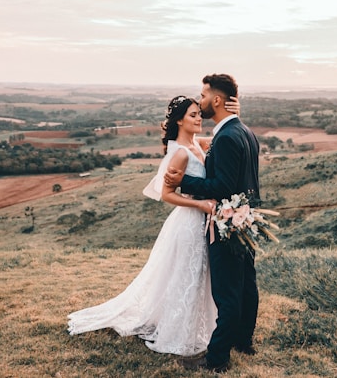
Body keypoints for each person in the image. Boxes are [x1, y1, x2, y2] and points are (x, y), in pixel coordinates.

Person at [67, 95, 239, 356]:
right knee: (185, 276)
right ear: (179, 120)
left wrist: (236, 111)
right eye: (192, 115)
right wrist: (201, 205)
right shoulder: (180, 154)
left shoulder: (197, 144)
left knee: (197, 275)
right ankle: (177, 330)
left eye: (198, 114)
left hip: (202, 222)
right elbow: (167, 195)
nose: (198, 118)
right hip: (189, 222)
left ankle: (198, 327)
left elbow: (225, 136)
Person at [165, 73, 260, 373]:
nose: (201, 100)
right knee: (246, 285)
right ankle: (243, 341)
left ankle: (217, 357)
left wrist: (185, 181)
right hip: (245, 220)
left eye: (204, 95)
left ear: (217, 100)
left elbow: (223, 185)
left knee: (228, 292)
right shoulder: (244, 131)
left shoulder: (229, 136)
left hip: (227, 223)